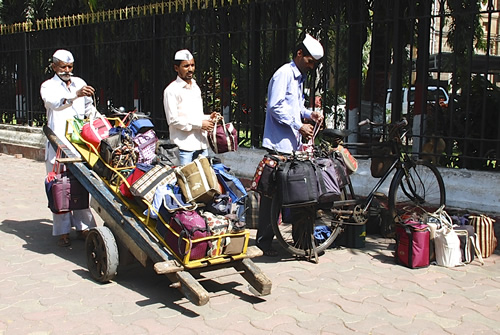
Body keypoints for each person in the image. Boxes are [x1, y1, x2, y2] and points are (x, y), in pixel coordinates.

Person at [256, 34, 325, 257]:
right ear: (299, 54)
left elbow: (296, 106)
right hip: (278, 145)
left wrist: (309, 114)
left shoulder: (299, 78)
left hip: (291, 147)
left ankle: (297, 240)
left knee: (294, 193)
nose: (311, 66)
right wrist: (298, 125)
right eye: (310, 61)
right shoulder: (284, 74)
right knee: (270, 196)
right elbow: (274, 107)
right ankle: (263, 244)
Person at [40, 49, 97, 247]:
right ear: (54, 66)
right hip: (58, 144)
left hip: (79, 144)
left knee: (81, 186)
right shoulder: (48, 86)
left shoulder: (80, 82)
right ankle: (62, 231)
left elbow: (89, 108)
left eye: (70, 67)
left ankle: (83, 227)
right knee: (60, 188)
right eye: (63, 67)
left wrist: (98, 121)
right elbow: (54, 104)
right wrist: (75, 96)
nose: (67, 70)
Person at [163, 49, 216, 166]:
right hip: (184, 148)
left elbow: (196, 116)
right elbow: (173, 120)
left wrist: (209, 118)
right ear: (176, 68)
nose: (190, 69)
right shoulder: (171, 90)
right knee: (185, 182)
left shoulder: (195, 87)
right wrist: (200, 124)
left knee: (204, 182)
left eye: (192, 65)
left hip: (201, 145)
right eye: (186, 66)